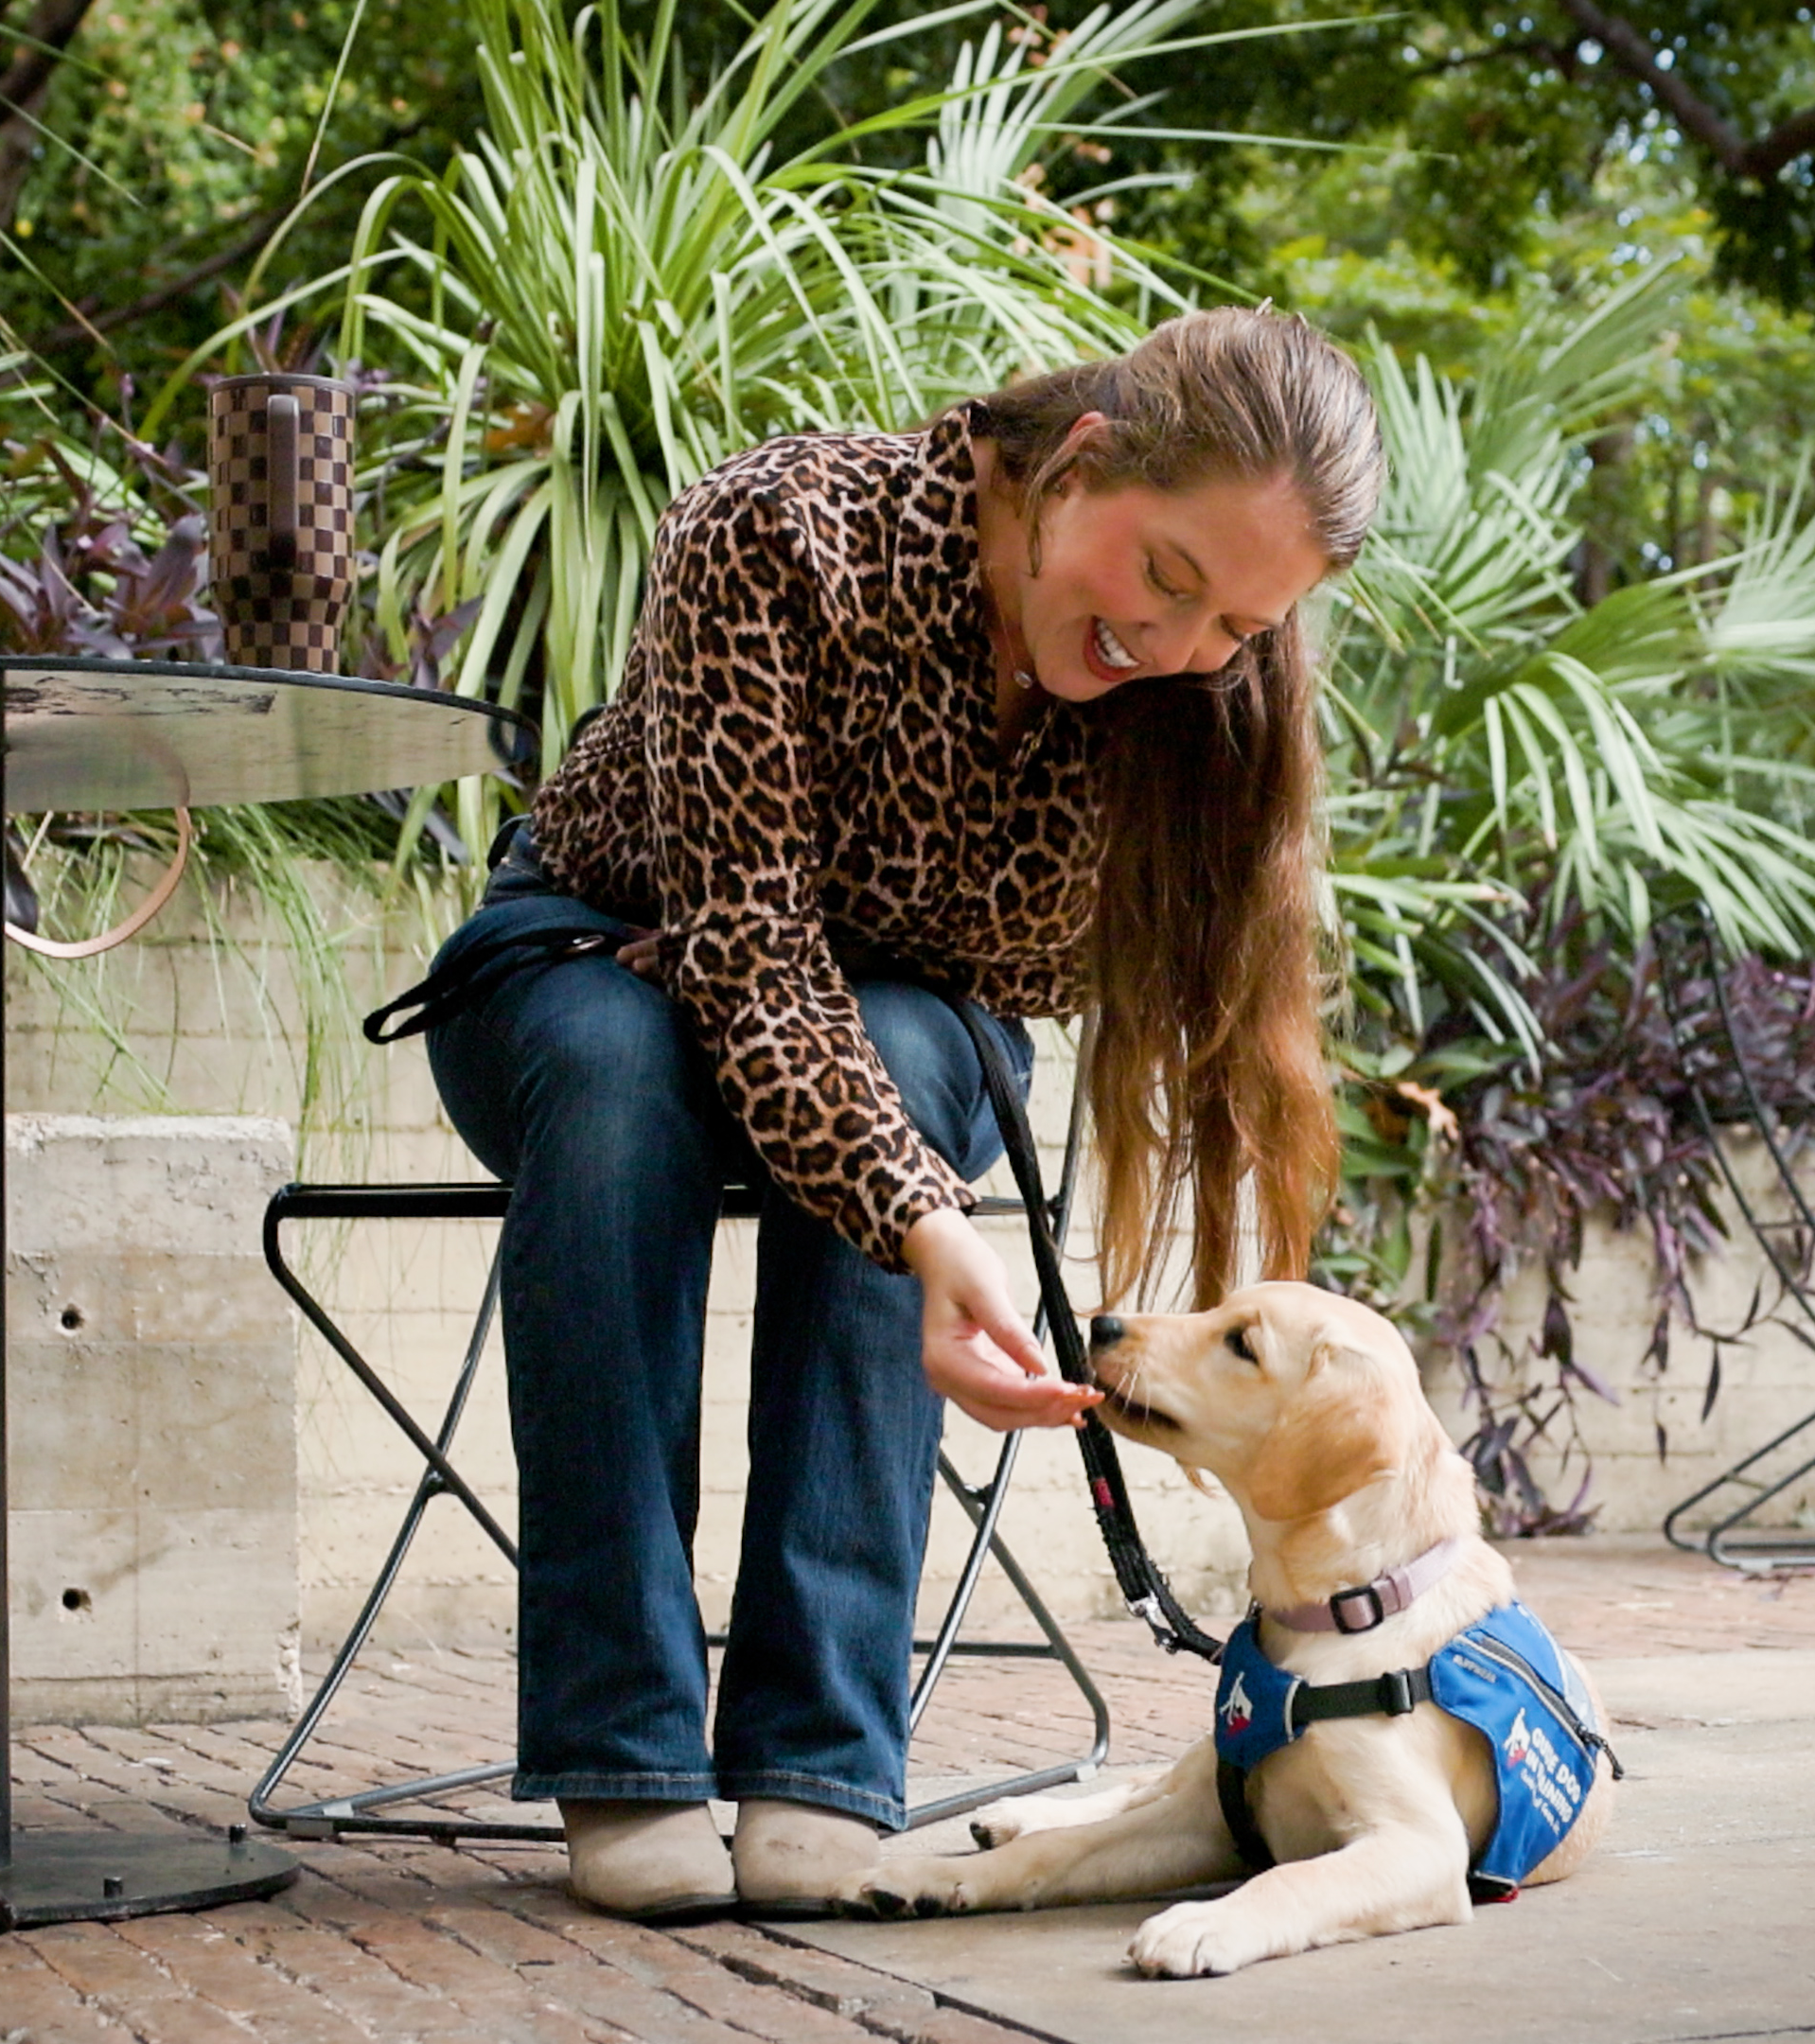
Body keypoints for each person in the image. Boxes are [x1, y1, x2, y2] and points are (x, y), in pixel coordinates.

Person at [414, 308, 1382, 1922]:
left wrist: (866, 1106)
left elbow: (1025, 978)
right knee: (621, 1070)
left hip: (898, 1029)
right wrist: (922, 1216)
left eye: (1239, 622)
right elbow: (748, 945)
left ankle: (817, 1760)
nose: (1182, 646)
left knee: (902, 1055)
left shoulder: (1198, 685)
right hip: (586, 954)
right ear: (1081, 462)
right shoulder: (780, 531)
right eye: (1167, 577)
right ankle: (622, 1753)